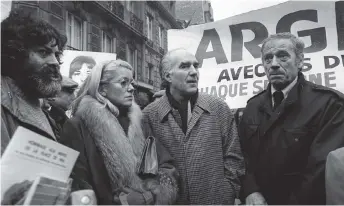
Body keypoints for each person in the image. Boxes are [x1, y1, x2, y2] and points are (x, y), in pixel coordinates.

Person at [239, 32, 344, 204]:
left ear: (300, 61)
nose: (274, 64)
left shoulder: (330, 105)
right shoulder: (252, 106)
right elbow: (243, 156)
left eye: (282, 56)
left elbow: (320, 169)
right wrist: (251, 191)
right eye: (268, 58)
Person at [60, 60, 179, 205]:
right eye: (123, 83)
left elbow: (166, 165)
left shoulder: (140, 123)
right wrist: (121, 202)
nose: (131, 88)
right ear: (102, 89)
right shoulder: (78, 126)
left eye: (132, 83)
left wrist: (151, 195)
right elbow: (78, 186)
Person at [143, 48, 245, 204]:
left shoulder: (218, 107)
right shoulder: (150, 115)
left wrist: (228, 192)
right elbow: (147, 167)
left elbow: (234, 156)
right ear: (167, 76)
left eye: (195, 66)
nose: (194, 72)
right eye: (184, 66)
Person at [1, 9, 67, 152]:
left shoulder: (35, 102)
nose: (55, 62)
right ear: (15, 54)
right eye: (44, 52)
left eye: (57, 54)